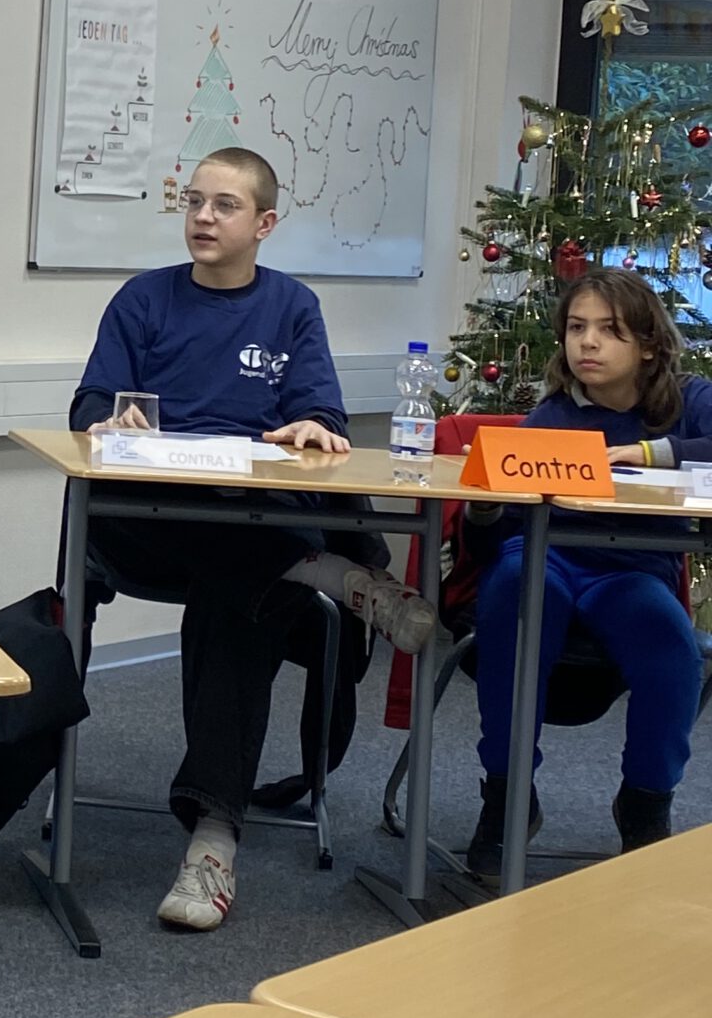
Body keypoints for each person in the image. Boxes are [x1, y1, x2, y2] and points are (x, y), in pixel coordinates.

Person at [71, 148, 436, 933]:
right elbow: (90, 402)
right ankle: (329, 574)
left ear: (265, 224)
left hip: (251, 517)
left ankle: (213, 839)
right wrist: (107, 419)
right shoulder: (143, 298)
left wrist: (314, 427)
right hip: (153, 521)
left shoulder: (291, 306)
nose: (203, 217)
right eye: (194, 202)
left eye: (224, 205)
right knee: (239, 561)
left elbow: (323, 415)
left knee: (238, 594)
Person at [463, 268, 710, 884]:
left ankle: (646, 802)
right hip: (544, 556)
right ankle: (507, 796)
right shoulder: (551, 417)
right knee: (516, 597)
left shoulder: (689, 400)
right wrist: (483, 506)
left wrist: (649, 453)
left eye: (608, 330)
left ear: (647, 344)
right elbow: (486, 544)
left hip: (631, 567)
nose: (588, 343)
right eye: (577, 328)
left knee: (669, 644)